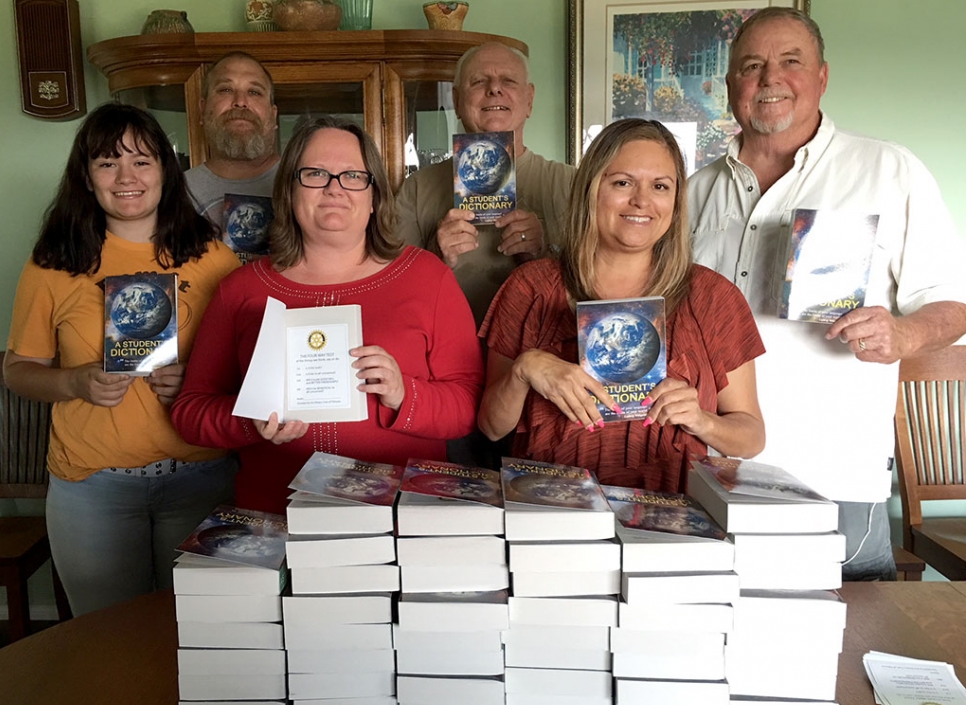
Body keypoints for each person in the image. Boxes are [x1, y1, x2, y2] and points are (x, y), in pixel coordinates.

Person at [688, 7, 966, 580]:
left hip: (833, 474)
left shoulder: (889, 171)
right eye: (752, 65)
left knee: (843, 645)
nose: (770, 79)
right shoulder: (693, 192)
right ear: (730, 85)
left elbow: (952, 301)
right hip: (711, 469)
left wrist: (905, 332)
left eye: (791, 62)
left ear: (822, 77)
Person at [172, 117, 485, 516]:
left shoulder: (428, 277)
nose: (335, 187)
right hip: (276, 517)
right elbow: (190, 413)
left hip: (399, 519)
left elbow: (468, 405)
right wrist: (249, 419)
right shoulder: (240, 289)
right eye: (316, 174)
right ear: (288, 190)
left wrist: (403, 393)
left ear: (374, 196)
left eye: (353, 175)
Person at [3, 104, 240, 616]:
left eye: (142, 161)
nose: (126, 177)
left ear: (165, 171)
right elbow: (18, 371)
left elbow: (245, 366)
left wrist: (198, 380)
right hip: (93, 487)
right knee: (105, 643)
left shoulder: (214, 257)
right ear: (86, 178)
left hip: (200, 476)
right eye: (108, 163)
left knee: (201, 635)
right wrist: (75, 382)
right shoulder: (54, 262)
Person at [478, 119, 765, 493]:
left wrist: (701, 420)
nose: (642, 201)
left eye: (660, 186)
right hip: (551, 515)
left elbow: (752, 436)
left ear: (676, 202)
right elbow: (490, 426)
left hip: (671, 520)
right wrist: (523, 370)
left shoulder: (713, 298)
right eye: (622, 183)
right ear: (591, 189)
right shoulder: (529, 288)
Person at [396, 41, 575, 327]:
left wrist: (543, 254)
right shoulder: (415, 189)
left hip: (540, 358)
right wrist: (435, 258)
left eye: (508, 81)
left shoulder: (573, 185)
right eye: (478, 81)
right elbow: (393, 293)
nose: (494, 89)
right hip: (447, 357)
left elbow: (595, 289)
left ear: (529, 100)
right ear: (456, 101)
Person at [185, 51, 280, 263]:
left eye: (254, 92)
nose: (240, 102)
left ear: (273, 116)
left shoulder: (308, 185)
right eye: (226, 90)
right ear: (202, 109)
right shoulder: (173, 193)